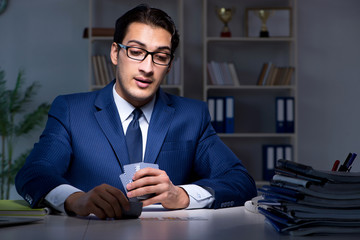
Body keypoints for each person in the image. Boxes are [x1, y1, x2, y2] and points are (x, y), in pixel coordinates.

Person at [15, 4, 257, 219]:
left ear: (169, 65)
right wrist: (76, 200)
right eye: (136, 51)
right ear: (114, 53)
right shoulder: (70, 111)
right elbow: (34, 174)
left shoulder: (192, 116)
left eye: (160, 56)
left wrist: (181, 194)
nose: (147, 67)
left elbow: (240, 182)